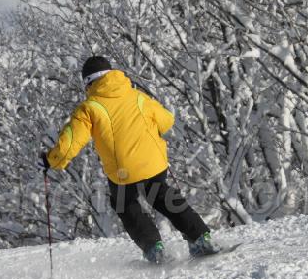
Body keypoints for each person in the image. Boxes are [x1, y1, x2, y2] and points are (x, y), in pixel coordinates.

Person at [40, 56, 220, 263]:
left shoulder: (89, 107)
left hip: (123, 171)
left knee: (124, 204)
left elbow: (70, 143)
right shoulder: (138, 96)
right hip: (153, 163)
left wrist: (51, 160)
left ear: (88, 82)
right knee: (161, 196)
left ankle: (154, 248)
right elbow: (167, 121)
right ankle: (200, 238)